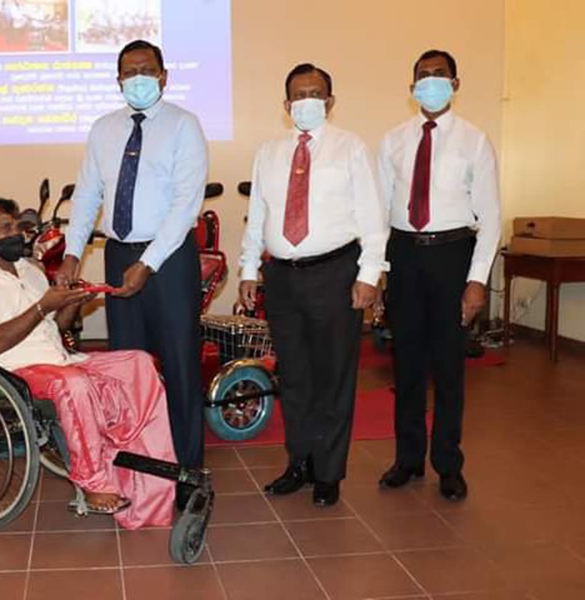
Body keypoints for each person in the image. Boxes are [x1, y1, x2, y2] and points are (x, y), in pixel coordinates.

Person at [0, 197, 176, 530]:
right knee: (73, 383)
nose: (17, 234)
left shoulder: (32, 272)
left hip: (60, 359)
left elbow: (55, 328)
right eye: (6, 229)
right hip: (13, 371)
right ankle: (92, 480)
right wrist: (43, 306)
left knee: (139, 364)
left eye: (18, 227)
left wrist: (72, 301)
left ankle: (144, 469)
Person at [55, 40, 208, 508]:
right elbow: (86, 196)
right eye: (128, 72)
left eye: (146, 70)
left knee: (180, 367)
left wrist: (149, 262)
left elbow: (186, 205)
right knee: (126, 371)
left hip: (169, 258)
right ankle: (138, 466)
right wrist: (73, 252)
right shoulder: (103, 130)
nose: (137, 78)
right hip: (119, 254)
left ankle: (186, 471)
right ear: (118, 79)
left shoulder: (184, 126)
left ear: (164, 76)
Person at [239, 63, 388, 507]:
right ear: (286, 106)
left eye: (315, 93)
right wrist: (249, 270)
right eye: (298, 95)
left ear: (330, 101)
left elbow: (372, 219)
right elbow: (259, 218)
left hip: (334, 274)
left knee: (334, 378)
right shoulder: (268, 152)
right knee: (296, 378)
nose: (307, 101)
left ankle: (329, 472)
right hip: (282, 277)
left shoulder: (351, 149)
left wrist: (369, 276)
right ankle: (299, 462)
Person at [377, 50, 501, 501]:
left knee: (448, 367)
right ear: (411, 88)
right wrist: (380, 271)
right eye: (422, 77)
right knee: (406, 363)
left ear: (455, 82)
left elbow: (490, 217)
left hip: (453, 256)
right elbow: (379, 210)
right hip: (405, 254)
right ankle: (408, 459)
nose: (431, 82)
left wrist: (476, 279)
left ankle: (448, 463)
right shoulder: (392, 141)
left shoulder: (474, 141)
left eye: (439, 75)